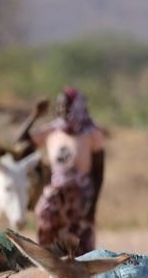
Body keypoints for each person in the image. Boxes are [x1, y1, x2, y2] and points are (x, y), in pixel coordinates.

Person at [18, 87, 105, 255]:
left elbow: (98, 172)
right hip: (55, 201)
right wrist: (34, 116)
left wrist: (93, 206)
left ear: (77, 107)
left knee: (81, 251)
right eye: (58, 106)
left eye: (66, 106)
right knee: (49, 251)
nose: (61, 110)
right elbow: (20, 141)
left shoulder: (91, 134)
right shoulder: (52, 130)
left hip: (80, 201)